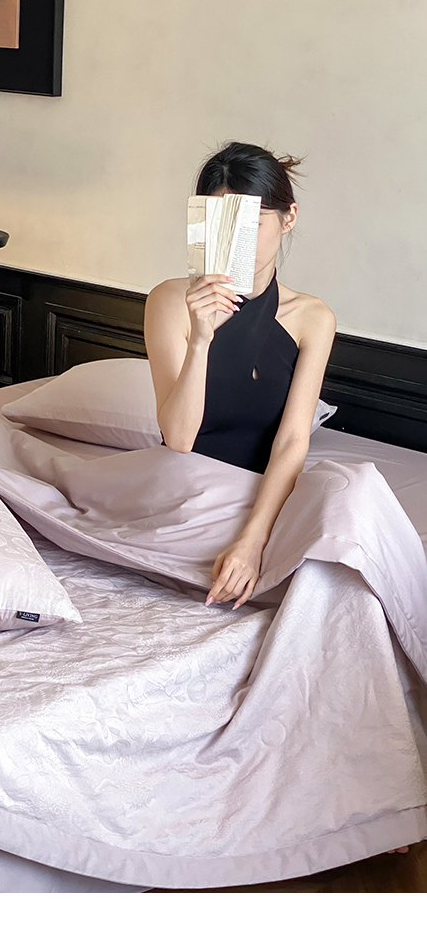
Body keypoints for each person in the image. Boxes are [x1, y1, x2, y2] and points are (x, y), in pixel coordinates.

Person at [144, 141, 336, 611]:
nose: (237, 238)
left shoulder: (312, 318)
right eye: (222, 221)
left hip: (261, 500)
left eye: (254, 221)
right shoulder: (170, 301)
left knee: (352, 501)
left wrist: (253, 541)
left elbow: (292, 440)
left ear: (288, 218)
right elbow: (179, 439)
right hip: (187, 491)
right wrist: (200, 339)